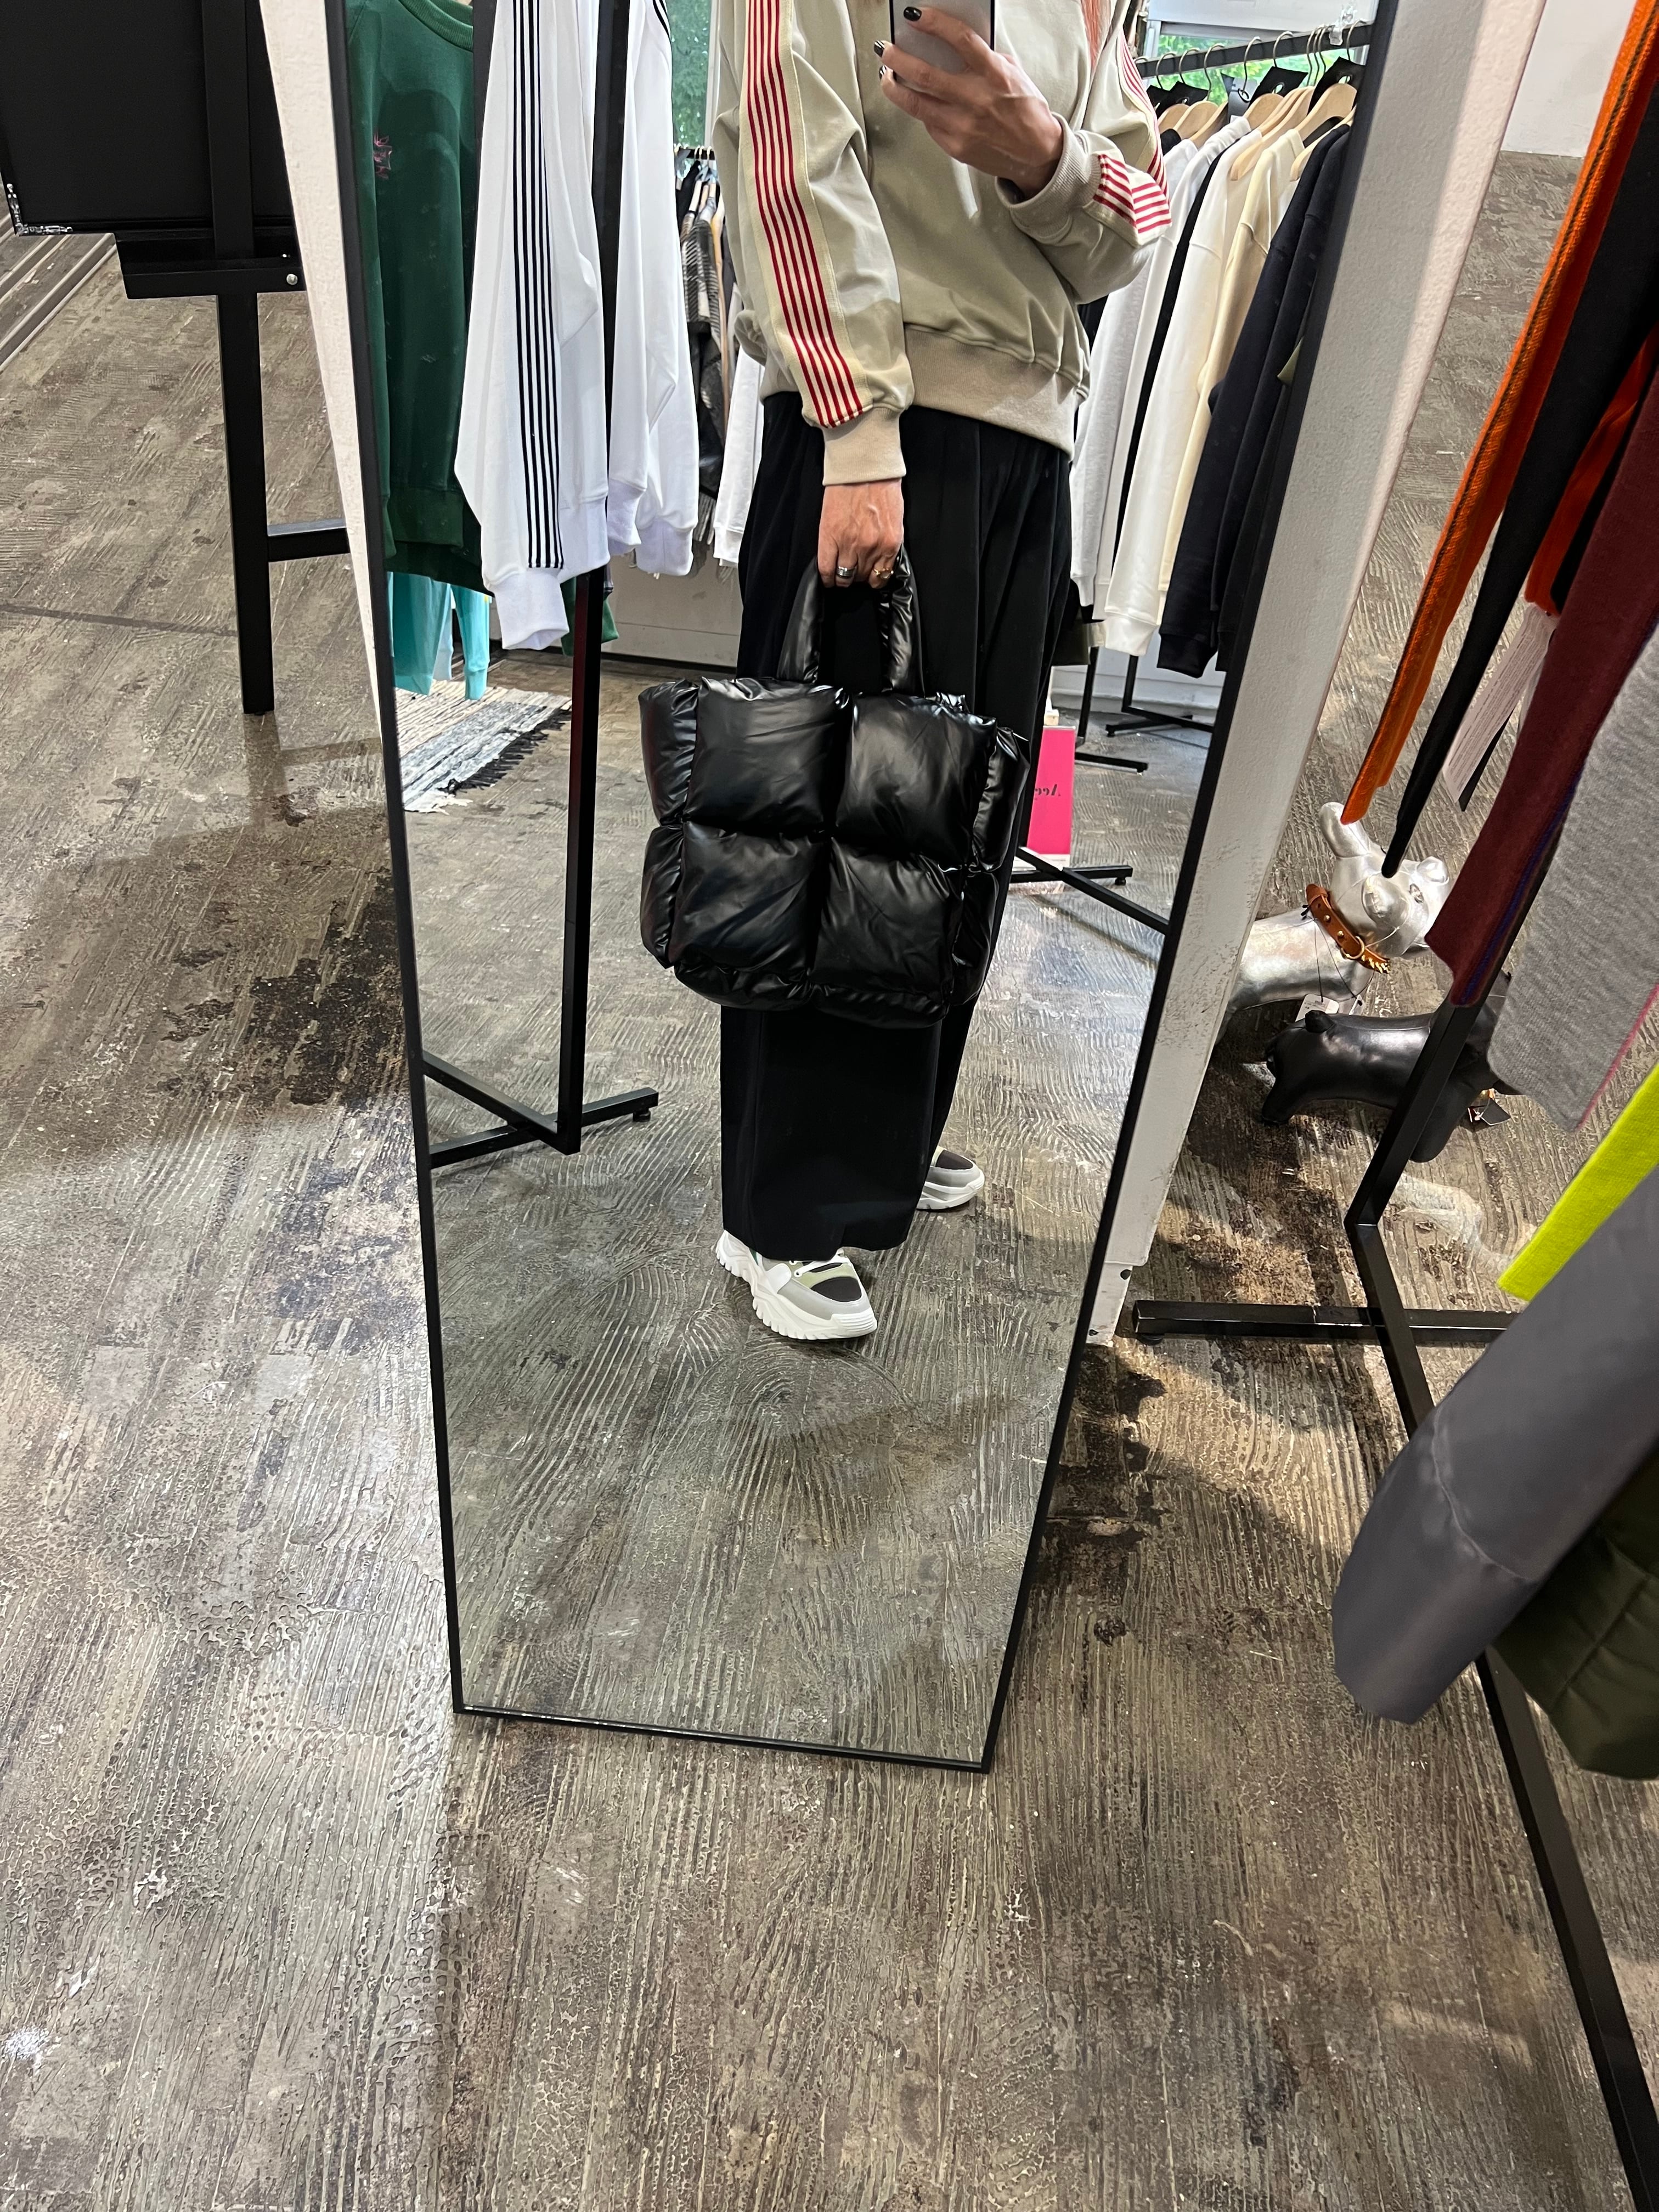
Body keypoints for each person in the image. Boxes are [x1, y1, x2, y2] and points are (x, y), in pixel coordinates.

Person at [709, 0, 1167, 1341]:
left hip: (1030, 447)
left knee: (958, 833)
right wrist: (856, 432)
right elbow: (788, 147)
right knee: (835, 831)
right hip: (885, 432)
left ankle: (888, 1138)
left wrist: (1045, 155)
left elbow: (1133, 219)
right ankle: (785, 1208)